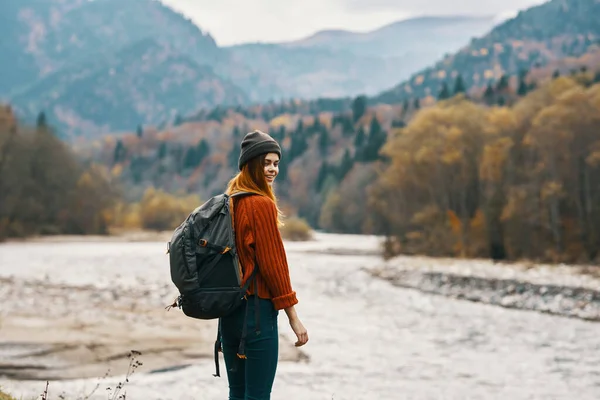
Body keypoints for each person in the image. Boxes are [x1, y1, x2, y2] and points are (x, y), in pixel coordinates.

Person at [221, 129, 309, 400]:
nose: (273, 169)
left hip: (229, 315)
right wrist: (294, 318)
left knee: (237, 394)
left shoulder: (229, 201)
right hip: (257, 314)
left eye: (276, 163)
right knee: (258, 396)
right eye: (267, 163)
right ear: (252, 164)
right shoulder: (261, 205)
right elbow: (274, 267)